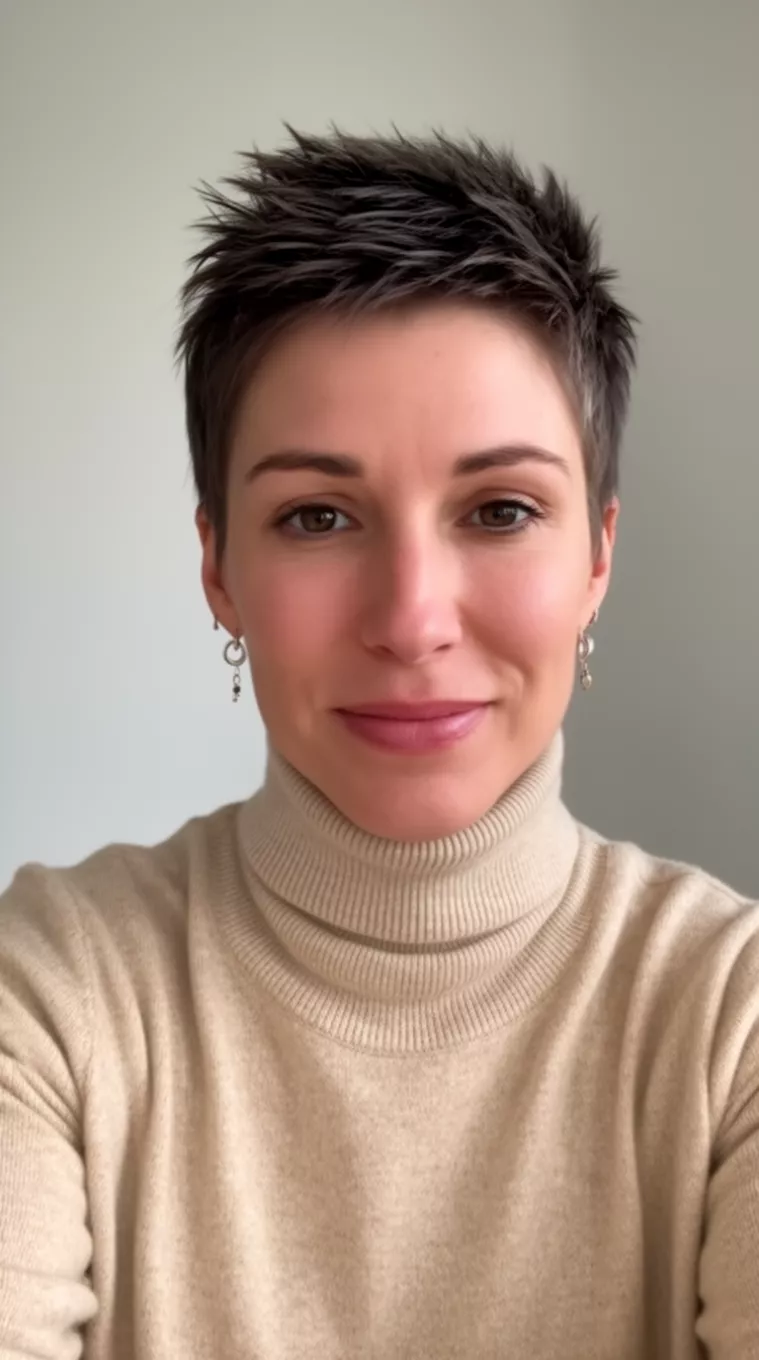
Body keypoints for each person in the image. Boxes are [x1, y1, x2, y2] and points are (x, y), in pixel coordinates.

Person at [1, 126, 757, 1360]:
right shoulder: (51, 992)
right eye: (317, 516)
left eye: (500, 509)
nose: (411, 620)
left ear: (598, 557)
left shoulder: (731, 1017)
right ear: (218, 569)